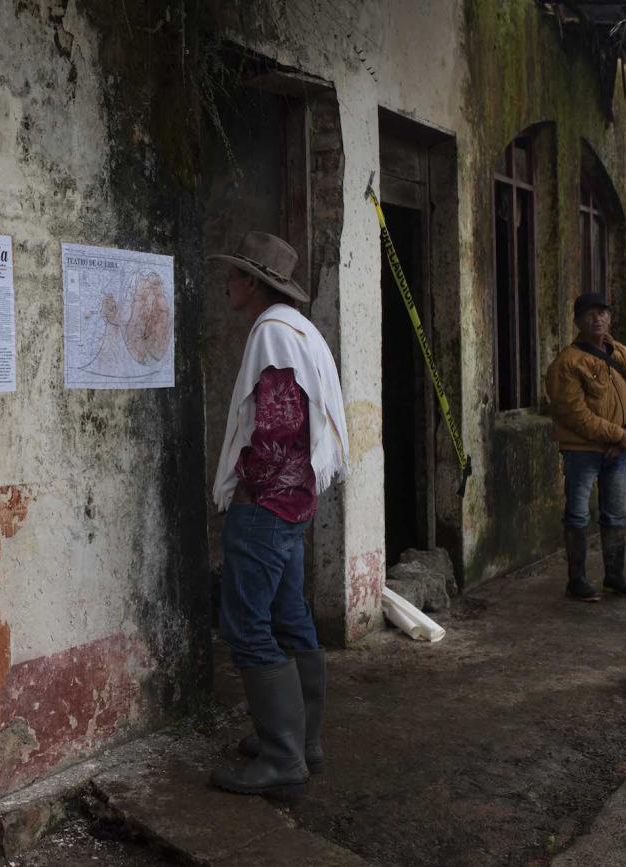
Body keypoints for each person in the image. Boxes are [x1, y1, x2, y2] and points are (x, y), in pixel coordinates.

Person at [206, 231, 349, 798]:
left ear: (253, 282)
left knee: (247, 627)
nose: (228, 283)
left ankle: (282, 759)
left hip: (269, 505)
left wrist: (251, 495)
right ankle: (301, 741)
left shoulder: (272, 333)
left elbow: (278, 427)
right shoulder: (300, 329)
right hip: (295, 503)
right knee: (290, 618)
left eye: (235, 274)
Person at [545, 292, 626, 602]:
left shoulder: (622, 354)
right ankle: (577, 581)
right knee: (577, 515)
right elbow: (574, 414)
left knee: (616, 516)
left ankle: (615, 577)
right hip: (582, 450)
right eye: (590, 314)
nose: (598, 319)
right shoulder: (568, 362)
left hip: (617, 450)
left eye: (603, 313)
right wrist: (618, 435)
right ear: (578, 321)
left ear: (610, 318)